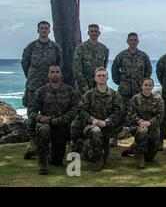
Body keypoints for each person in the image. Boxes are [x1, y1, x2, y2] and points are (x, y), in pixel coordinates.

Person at [22, 21, 62, 160]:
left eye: (46, 28)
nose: (44, 30)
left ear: (49, 31)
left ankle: (46, 142)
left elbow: (58, 63)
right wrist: (32, 76)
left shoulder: (55, 47)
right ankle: (32, 141)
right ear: (38, 30)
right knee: (31, 113)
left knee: (49, 111)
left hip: (49, 85)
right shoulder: (31, 47)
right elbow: (25, 63)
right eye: (42, 28)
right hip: (33, 84)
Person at [28, 66, 77, 175]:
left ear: (61, 74)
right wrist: (40, 118)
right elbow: (31, 110)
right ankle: (42, 163)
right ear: (48, 75)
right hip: (46, 124)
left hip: (62, 126)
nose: (55, 74)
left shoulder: (70, 91)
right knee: (44, 129)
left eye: (57, 72)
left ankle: (43, 153)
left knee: (56, 162)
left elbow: (75, 110)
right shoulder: (41, 91)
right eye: (52, 72)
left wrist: (61, 119)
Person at [71, 24, 109, 152]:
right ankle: (77, 141)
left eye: (96, 31)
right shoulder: (80, 48)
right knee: (81, 114)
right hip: (82, 89)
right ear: (88, 33)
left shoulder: (104, 49)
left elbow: (103, 68)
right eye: (92, 31)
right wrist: (85, 87)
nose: (94, 33)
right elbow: (77, 70)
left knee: (98, 114)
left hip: (98, 89)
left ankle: (97, 141)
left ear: (99, 33)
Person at [112, 33, 152, 150]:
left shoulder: (143, 56)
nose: (133, 42)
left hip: (138, 91)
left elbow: (148, 70)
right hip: (124, 91)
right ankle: (115, 138)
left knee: (138, 116)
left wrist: (142, 84)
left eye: (135, 40)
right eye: (131, 40)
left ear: (138, 41)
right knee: (120, 114)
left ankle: (137, 141)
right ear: (127, 41)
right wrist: (119, 81)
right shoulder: (122, 55)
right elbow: (114, 68)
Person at [79, 67, 122, 171]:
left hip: (107, 127)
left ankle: (90, 152)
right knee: (96, 131)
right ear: (95, 78)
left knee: (104, 154)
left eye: (103, 75)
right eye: (99, 76)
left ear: (107, 77)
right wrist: (93, 120)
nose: (101, 77)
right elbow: (82, 111)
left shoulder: (114, 94)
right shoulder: (88, 95)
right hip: (91, 126)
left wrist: (106, 121)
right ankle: (99, 159)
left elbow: (118, 112)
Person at [127, 78, 164, 168]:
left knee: (150, 158)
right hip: (138, 127)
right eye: (145, 85)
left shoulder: (158, 99)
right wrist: (140, 121)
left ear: (153, 86)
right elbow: (131, 114)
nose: (148, 87)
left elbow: (160, 115)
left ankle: (134, 146)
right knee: (142, 131)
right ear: (141, 86)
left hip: (153, 128)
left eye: (150, 85)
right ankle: (140, 158)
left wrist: (149, 122)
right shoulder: (135, 99)